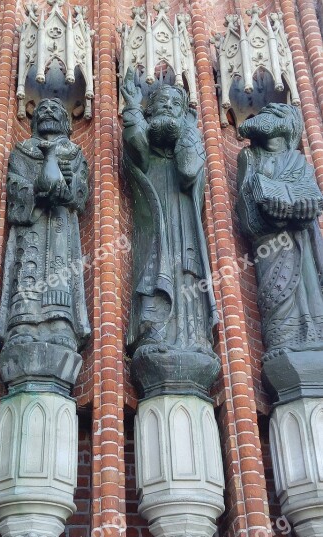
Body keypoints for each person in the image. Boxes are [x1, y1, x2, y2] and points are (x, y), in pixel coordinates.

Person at [121, 68, 217, 358]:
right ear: (150, 111)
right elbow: (136, 140)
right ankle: (153, 332)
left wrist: (187, 129)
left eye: (176, 104)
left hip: (184, 227)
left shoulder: (187, 142)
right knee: (155, 272)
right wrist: (133, 106)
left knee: (187, 274)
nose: (168, 107)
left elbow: (189, 169)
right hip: (154, 228)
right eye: (161, 102)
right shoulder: (146, 152)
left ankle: (194, 337)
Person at [0, 98, 90, 356]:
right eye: (42, 109)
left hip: (60, 224)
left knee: (61, 270)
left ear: (67, 122)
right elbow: (14, 185)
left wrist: (70, 185)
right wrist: (35, 188)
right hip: (32, 226)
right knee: (28, 265)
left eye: (55, 108)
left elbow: (80, 196)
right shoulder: (22, 150)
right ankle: (23, 325)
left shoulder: (74, 153)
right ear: (34, 121)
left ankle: (60, 325)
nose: (48, 111)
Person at [237, 103, 323, 359]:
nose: (264, 120)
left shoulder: (299, 161)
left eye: (273, 116)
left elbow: (312, 200)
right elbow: (245, 203)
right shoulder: (250, 157)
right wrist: (269, 207)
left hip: (302, 240)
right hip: (271, 241)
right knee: (278, 289)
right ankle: (282, 341)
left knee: (309, 290)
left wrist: (303, 208)